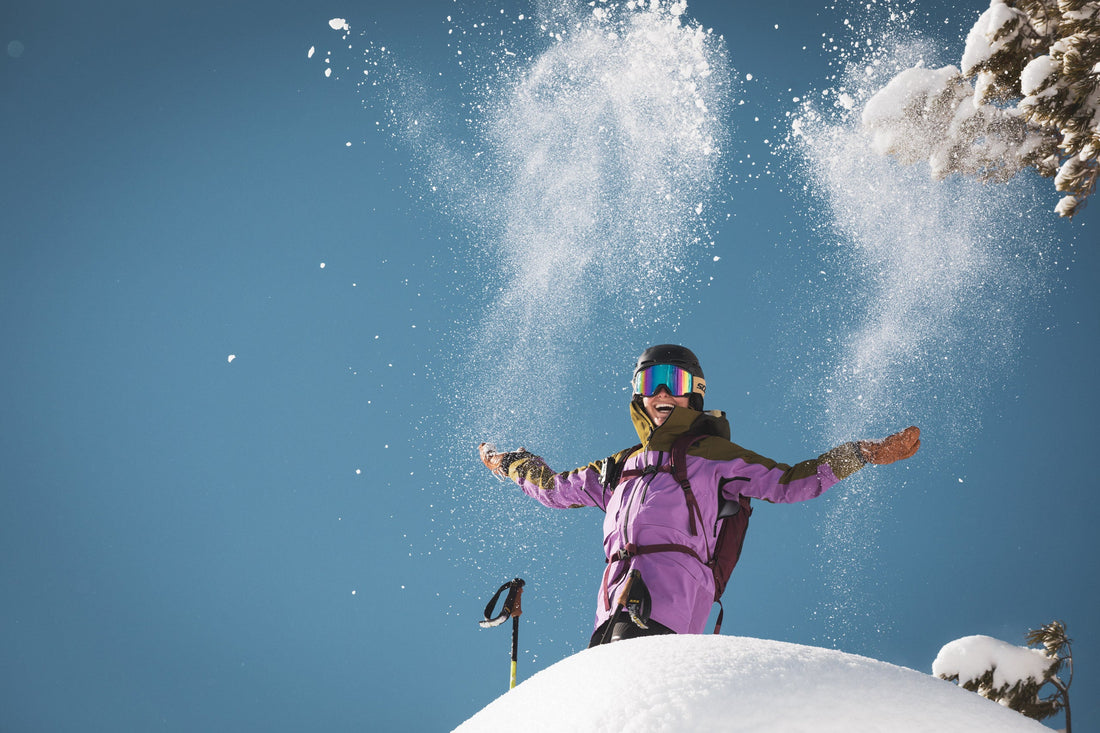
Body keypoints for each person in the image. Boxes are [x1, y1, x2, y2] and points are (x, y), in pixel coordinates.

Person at [477, 344, 920, 646]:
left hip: (675, 586)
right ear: (639, 395)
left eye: (674, 381)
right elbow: (555, 488)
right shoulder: (619, 466)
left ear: (695, 392)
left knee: (644, 684)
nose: (663, 392)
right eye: (651, 382)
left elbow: (788, 483)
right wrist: (510, 464)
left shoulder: (711, 453)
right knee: (608, 692)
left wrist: (861, 454)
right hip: (613, 593)